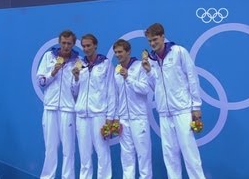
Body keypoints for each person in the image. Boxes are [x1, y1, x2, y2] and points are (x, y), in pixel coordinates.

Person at [141, 23, 206, 179]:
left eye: (155, 39)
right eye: (149, 41)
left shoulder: (179, 52)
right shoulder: (152, 60)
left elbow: (192, 78)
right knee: (170, 156)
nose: (152, 43)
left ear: (163, 36)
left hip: (182, 110)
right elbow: (154, 87)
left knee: (190, 154)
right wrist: (149, 72)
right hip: (164, 113)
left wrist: (196, 106)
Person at [72, 34, 116, 179]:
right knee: (84, 156)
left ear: (95, 45)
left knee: (102, 154)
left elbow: (111, 91)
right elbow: (74, 92)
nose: (86, 49)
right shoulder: (79, 64)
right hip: (82, 116)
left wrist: (110, 117)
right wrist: (76, 78)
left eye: (88, 45)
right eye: (83, 46)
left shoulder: (105, 63)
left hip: (99, 115)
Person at [37, 30, 79, 179]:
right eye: (63, 43)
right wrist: (53, 72)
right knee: (50, 148)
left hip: (68, 109)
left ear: (73, 44)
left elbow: (76, 92)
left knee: (69, 149)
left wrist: (76, 78)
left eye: (69, 43)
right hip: (50, 108)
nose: (66, 46)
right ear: (59, 43)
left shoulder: (77, 61)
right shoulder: (49, 57)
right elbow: (41, 81)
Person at [113, 39, 153, 179]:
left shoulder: (140, 67)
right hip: (123, 119)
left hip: (139, 118)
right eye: (116, 52)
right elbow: (115, 98)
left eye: (120, 52)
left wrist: (128, 78)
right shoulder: (116, 71)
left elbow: (145, 89)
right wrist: (116, 119)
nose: (118, 55)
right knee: (126, 158)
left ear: (128, 51)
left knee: (143, 156)